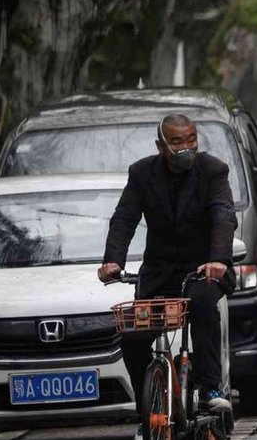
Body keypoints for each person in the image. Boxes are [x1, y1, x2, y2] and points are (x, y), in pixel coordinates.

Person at [98, 114, 238, 415]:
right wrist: (113, 260)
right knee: (133, 336)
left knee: (202, 306)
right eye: (176, 141)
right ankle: (149, 409)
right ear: (161, 145)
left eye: (191, 139)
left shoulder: (213, 170)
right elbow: (124, 218)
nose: (185, 146)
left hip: (203, 271)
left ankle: (211, 388)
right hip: (158, 275)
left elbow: (223, 214)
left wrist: (218, 258)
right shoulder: (142, 173)